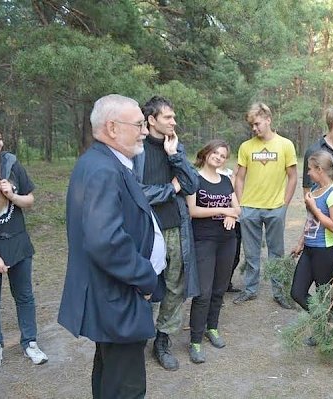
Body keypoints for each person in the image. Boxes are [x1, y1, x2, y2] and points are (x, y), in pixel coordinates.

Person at [58, 94, 165, 398]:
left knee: (110, 375)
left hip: (114, 294)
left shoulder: (106, 162)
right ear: (113, 128)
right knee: (126, 386)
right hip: (119, 294)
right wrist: (145, 278)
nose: (144, 131)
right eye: (139, 124)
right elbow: (105, 241)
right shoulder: (103, 169)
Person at [134, 95, 200, 371]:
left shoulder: (174, 146)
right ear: (151, 120)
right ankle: (139, 335)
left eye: (174, 117)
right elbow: (137, 192)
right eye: (168, 117)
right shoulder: (136, 149)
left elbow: (192, 183)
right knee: (146, 285)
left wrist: (176, 156)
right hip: (146, 228)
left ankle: (162, 340)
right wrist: (170, 189)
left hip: (176, 227)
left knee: (176, 285)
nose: (174, 121)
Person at [233, 102, 297, 309]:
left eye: (257, 124)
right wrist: (241, 205)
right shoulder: (246, 147)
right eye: (252, 125)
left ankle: (279, 293)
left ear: (268, 120)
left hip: (275, 208)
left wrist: (284, 206)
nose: (254, 128)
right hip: (249, 208)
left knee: (276, 253)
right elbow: (239, 178)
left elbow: (293, 177)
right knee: (251, 253)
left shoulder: (285, 145)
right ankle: (250, 290)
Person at [0, 123, 48, 369]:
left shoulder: (11, 164)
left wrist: (12, 196)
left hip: (17, 241)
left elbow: (30, 200)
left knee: (24, 296)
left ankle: (30, 343)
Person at [186, 140, 240, 363]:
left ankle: (212, 328)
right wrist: (223, 209)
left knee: (219, 289)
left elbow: (237, 208)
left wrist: (231, 214)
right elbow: (193, 210)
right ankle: (195, 340)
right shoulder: (194, 179)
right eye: (215, 153)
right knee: (203, 292)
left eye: (223, 155)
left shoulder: (226, 180)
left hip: (227, 241)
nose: (218, 157)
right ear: (206, 153)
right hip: (204, 241)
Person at [290, 150, 333, 320]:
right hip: (309, 249)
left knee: (324, 297)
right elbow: (310, 220)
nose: (307, 173)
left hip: (325, 251)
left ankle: (330, 328)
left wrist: (314, 207)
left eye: (310, 169)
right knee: (297, 292)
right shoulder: (315, 189)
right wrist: (301, 242)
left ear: (320, 170)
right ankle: (323, 322)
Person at [217, 164, 242, 293]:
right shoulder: (203, 175)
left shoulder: (231, 173)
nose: (219, 158)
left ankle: (227, 283)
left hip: (234, 220)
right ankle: (218, 286)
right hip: (216, 222)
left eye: (223, 155)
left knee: (234, 255)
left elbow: (237, 194)